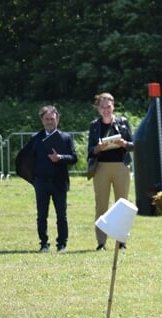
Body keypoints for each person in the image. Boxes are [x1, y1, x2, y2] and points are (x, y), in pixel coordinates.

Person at [19, 105, 77, 252]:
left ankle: (62, 244)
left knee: (61, 215)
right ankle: (44, 244)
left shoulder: (66, 137)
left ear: (57, 118)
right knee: (41, 214)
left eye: (52, 119)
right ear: (42, 120)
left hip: (59, 181)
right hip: (41, 182)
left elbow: (74, 158)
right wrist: (32, 178)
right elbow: (27, 159)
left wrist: (60, 158)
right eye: (47, 119)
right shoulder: (35, 138)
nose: (50, 122)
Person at [87, 92, 135, 250]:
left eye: (108, 106)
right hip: (101, 167)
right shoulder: (94, 126)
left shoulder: (123, 122)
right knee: (101, 205)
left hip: (121, 166)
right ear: (98, 109)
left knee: (122, 205)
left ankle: (121, 241)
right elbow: (90, 151)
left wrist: (123, 144)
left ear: (113, 106)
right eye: (102, 107)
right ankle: (101, 242)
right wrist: (98, 148)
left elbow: (133, 145)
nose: (106, 110)